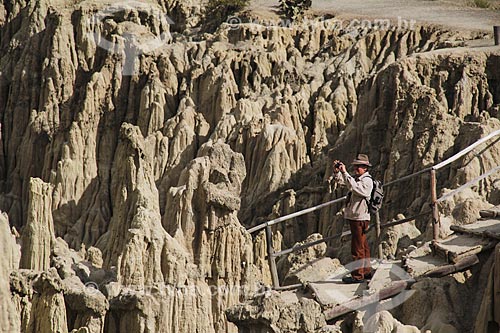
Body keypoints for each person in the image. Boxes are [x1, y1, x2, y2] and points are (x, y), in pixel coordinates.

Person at [332, 154, 374, 283]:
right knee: (363, 245)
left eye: (359, 167)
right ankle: (366, 271)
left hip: (359, 217)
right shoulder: (358, 179)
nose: (356, 169)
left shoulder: (367, 181)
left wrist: (345, 172)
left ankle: (357, 276)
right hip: (356, 217)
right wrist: (337, 173)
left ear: (365, 168)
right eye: (355, 166)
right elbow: (343, 182)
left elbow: (355, 188)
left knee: (357, 247)